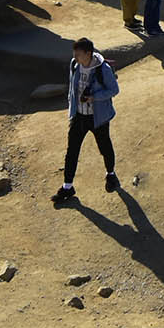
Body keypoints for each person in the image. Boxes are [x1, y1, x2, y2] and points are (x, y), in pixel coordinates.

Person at [52, 37, 120, 207]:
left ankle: (110, 174)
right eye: (74, 53)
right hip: (79, 117)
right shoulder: (75, 64)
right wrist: (72, 109)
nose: (75, 56)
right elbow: (72, 88)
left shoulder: (102, 69)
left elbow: (114, 90)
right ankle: (67, 186)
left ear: (88, 54)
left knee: (104, 147)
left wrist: (94, 97)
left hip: (98, 118)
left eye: (78, 54)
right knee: (72, 151)